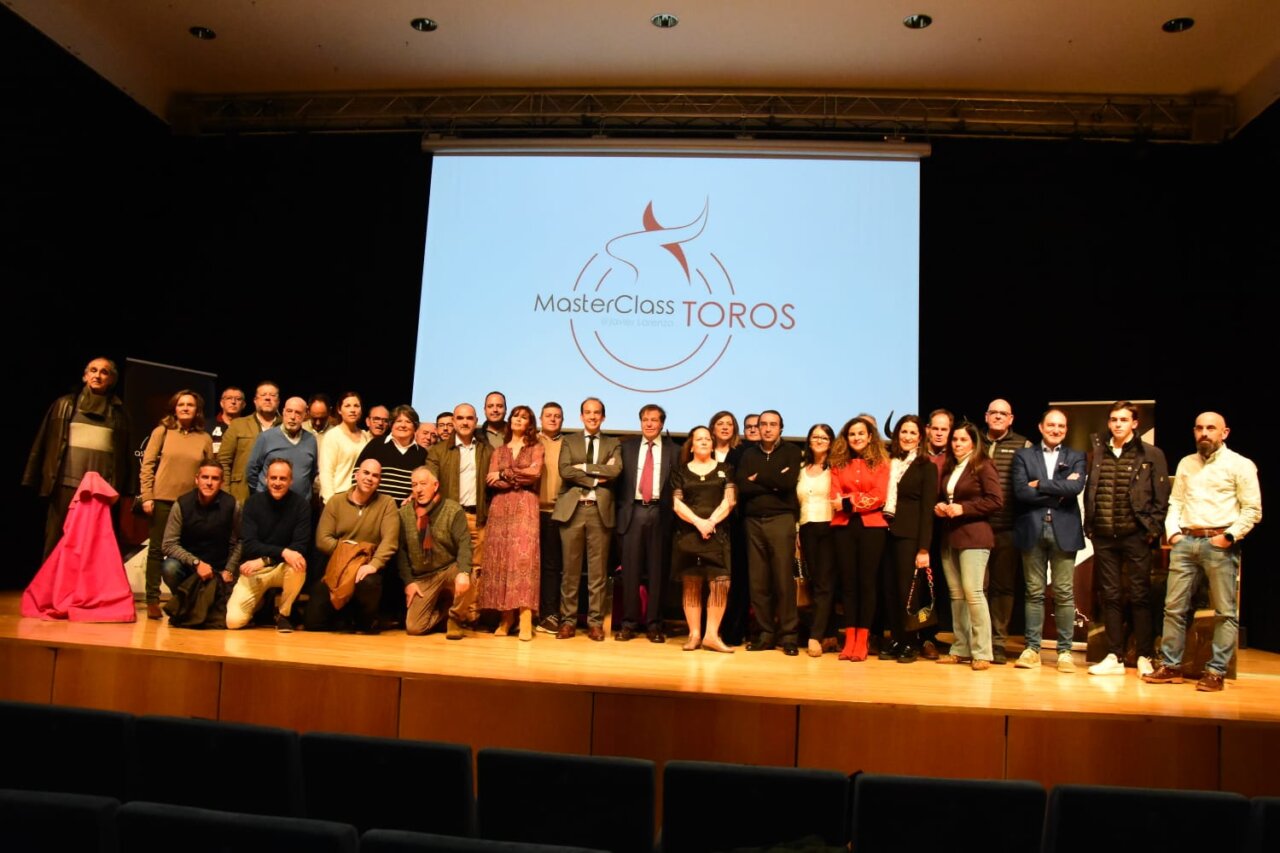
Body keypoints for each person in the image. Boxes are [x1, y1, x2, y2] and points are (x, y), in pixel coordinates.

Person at [1144, 412, 1262, 692]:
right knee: (1173, 609)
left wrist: (1229, 536)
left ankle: (1216, 671)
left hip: (1219, 542)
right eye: (1199, 428)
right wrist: (1173, 533)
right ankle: (1171, 666)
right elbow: (1176, 501)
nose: (1204, 433)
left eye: (1211, 428)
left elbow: (1252, 509)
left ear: (1225, 432)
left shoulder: (1241, 464)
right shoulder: (1187, 463)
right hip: (1186, 541)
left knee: (1224, 612)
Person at [1082, 401, 1169, 677]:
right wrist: (1091, 527)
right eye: (1113, 419)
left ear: (1134, 423)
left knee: (1140, 595)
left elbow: (1161, 497)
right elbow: (1091, 491)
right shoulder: (1098, 452)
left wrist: (1152, 530)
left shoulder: (1151, 454)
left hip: (1136, 534)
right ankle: (1114, 656)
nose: (1117, 424)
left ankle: (1144, 654)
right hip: (1104, 535)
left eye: (1123, 419)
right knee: (1110, 596)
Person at [25, 356, 134, 556]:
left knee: (93, 545)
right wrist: (31, 476)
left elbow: (126, 454)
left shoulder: (120, 413)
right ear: (85, 376)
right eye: (93, 370)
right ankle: (51, 577)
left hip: (100, 491)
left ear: (111, 380)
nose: (97, 375)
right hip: (65, 485)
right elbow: (43, 441)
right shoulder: (65, 404)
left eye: (104, 372)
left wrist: (127, 490)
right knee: (56, 541)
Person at [1012, 409, 1086, 672]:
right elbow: (1021, 492)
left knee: (1064, 593)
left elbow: (1075, 488)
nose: (1056, 430)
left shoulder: (1076, 456)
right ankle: (1032, 649)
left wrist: (1039, 484)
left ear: (1066, 430)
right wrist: (1058, 489)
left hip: (1064, 530)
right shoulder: (1023, 455)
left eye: (1061, 426)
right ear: (1041, 427)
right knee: (1034, 592)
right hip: (1032, 528)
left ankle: (1064, 652)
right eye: (1051, 425)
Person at [139, 389, 214, 619]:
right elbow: (147, 466)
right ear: (174, 408)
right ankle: (152, 599)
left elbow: (209, 470)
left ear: (197, 410)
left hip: (191, 504)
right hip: (162, 499)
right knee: (156, 550)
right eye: (181, 404)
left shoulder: (204, 438)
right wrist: (147, 496)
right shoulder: (162, 432)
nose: (185, 408)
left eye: (190, 405)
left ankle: (184, 598)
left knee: (187, 552)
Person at [934, 422, 1003, 671]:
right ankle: (961, 648)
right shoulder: (951, 467)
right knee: (957, 595)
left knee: (973, 593)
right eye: (954, 440)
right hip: (950, 536)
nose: (957, 444)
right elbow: (947, 497)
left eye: (963, 440)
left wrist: (964, 508)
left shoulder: (982, 465)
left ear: (974, 443)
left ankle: (982, 651)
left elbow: (996, 500)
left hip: (974, 536)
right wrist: (940, 506)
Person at [553, 397, 622, 641]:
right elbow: (565, 470)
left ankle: (595, 623)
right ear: (581, 416)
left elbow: (615, 470)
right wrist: (594, 477)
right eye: (588, 412)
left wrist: (582, 467)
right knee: (570, 572)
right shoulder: (569, 441)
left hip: (599, 511)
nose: (592, 416)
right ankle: (568, 621)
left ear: (603, 417)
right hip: (573, 511)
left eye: (597, 413)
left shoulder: (613, 443)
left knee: (598, 572)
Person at [735, 409, 802, 655]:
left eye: (773, 424)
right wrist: (772, 481)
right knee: (758, 581)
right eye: (763, 424)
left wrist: (758, 478)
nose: (767, 428)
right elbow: (742, 486)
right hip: (753, 521)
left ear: (781, 428)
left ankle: (789, 635)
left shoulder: (792, 451)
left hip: (781, 520)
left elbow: (787, 483)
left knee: (783, 581)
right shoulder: (748, 454)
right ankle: (765, 633)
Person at [305, 459, 400, 633]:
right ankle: (342, 617)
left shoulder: (387, 504)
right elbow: (323, 539)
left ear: (379, 481)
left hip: (367, 567)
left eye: (375, 476)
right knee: (312, 623)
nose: (369, 478)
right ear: (357, 475)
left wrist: (373, 564)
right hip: (337, 567)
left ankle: (364, 621)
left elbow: (390, 541)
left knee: (368, 583)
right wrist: (354, 553)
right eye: (366, 473)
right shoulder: (336, 501)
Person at [828, 416, 891, 662]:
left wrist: (849, 502)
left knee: (867, 583)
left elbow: (879, 495)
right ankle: (850, 639)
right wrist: (850, 501)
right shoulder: (837, 463)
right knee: (848, 584)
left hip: (872, 527)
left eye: (861, 433)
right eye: (852, 434)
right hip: (843, 527)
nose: (856, 438)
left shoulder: (882, 463)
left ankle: (863, 639)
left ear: (870, 436)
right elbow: (834, 496)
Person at [615, 404, 679, 643]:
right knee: (630, 572)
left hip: (661, 513)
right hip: (632, 512)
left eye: (654, 420)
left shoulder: (675, 451)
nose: (649, 424)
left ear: (662, 423)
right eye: (645, 419)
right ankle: (629, 623)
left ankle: (654, 624)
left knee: (657, 572)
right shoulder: (626, 448)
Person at [481, 404, 544, 641]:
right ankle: (506, 618)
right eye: (515, 416)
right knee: (502, 561)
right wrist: (515, 476)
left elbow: (534, 474)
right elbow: (491, 481)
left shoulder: (536, 448)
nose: (518, 419)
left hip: (526, 506)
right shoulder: (499, 451)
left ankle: (526, 618)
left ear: (530, 423)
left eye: (524, 417)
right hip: (500, 508)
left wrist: (504, 474)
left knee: (524, 561)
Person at [671, 425, 737, 653]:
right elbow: (677, 504)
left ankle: (711, 636)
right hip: (689, 533)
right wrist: (699, 523)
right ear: (691, 446)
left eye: (708, 439)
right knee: (692, 583)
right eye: (699, 439)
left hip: (718, 534)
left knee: (720, 583)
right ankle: (694, 635)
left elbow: (729, 500)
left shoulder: (725, 469)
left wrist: (711, 522)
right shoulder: (680, 471)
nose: (704, 442)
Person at [226, 459, 310, 632]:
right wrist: (283, 552)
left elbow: (299, 547)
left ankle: (284, 614)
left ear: (291, 481)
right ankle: (260, 605)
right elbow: (250, 545)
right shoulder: (252, 503)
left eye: (283, 478)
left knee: (298, 565)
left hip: (282, 568)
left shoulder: (301, 506)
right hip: (255, 570)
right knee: (233, 622)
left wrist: (266, 559)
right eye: (273, 478)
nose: (277, 483)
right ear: (266, 479)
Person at [883, 415, 938, 664]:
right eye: (903, 432)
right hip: (885, 532)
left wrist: (924, 548)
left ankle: (910, 641)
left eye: (912, 433)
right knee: (890, 589)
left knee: (908, 591)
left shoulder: (926, 466)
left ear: (920, 437)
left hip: (910, 536)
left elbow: (927, 510)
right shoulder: (890, 462)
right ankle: (896, 638)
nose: (907, 437)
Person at [400, 467, 476, 639]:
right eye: (414, 485)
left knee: (468, 575)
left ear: (435, 486)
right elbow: (401, 553)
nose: (418, 489)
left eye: (423, 484)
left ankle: (455, 618)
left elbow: (464, 544)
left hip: (448, 569)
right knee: (414, 628)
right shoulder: (404, 513)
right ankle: (445, 613)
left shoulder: (452, 510)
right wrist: (409, 582)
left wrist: (463, 572)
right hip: (423, 576)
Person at [982, 398, 1031, 665]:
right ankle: (977, 642)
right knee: (977, 588)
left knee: (1003, 588)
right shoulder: (974, 441)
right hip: (976, 528)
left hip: (1008, 528)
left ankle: (998, 642)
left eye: (1004, 413)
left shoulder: (1024, 445)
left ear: (1011, 419)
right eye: (994, 413)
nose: (998, 417)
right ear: (986, 416)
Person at [427, 403, 494, 578]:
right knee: (448, 568)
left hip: (477, 519)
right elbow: (429, 482)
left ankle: (472, 598)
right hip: (448, 518)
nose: (465, 422)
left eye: (469, 418)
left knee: (476, 569)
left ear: (476, 421)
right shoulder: (438, 451)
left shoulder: (487, 450)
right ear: (453, 421)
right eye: (460, 418)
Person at [160, 461, 240, 607]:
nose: (209, 482)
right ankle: (184, 605)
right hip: (189, 567)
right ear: (197, 479)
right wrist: (196, 563)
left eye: (215, 478)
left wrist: (229, 569)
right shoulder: (181, 504)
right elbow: (168, 545)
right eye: (205, 477)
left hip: (221, 569)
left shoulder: (232, 505)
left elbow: (239, 541)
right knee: (169, 567)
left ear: (222, 482)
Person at [797, 424, 836, 657]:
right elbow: (796, 502)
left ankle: (815, 636)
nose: (819, 440)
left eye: (824, 437)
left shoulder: (836, 467)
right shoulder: (801, 468)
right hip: (806, 527)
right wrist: (797, 531)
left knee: (825, 584)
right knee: (814, 583)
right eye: (815, 437)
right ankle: (829, 634)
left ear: (831, 442)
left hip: (830, 527)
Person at [217, 381, 281, 504]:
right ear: (255, 400)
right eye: (263, 395)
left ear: (278, 401)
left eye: (273, 395)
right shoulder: (238, 425)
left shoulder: (285, 427)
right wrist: (226, 494)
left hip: (276, 494)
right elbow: (223, 461)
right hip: (241, 494)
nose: (268, 398)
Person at [245, 396, 319, 499]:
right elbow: (252, 470)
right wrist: (259, 494)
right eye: (289, 411)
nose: (292, 417)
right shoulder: (266, 437)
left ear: (305, 415)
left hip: (300, 503)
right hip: (269, 502)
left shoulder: (311, 440)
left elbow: (312, 472)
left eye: (298, 413)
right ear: (283, 412)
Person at [356, 405, 427, 504]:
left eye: (408, 422)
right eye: (399, 421)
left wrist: (413, 496)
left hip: (406, 510)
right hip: (374, 507)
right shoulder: (376, 444)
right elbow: (357, 475)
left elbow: (424, 484)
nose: (403, 425)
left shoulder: (422, 453)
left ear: (415, 427)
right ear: (391, 424)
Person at [535, 403, 566, 633]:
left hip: (558, 513)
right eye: (548, 415)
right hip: (531, 512)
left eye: (557, 416)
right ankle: (525, 614)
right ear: (540, 418)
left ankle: (549, 614)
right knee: (528, 566)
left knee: (552, 567)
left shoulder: (569, 444)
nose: (553, 419)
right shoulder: (531, 441)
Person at [318, 391, 370, 503]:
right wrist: (330, 502)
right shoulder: (333, 436)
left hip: (359, 498)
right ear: (339, 410)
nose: (352, 410)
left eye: (356, 406)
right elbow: (326, 472)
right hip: (338, 496)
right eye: (347, 406)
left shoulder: (365, 436)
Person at [210, 387, 245, 454]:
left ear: (243, 404)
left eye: (238, 399)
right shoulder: (207, 426)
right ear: (221, 403)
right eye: (229, 398)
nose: (233, 402)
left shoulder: (249, 427)